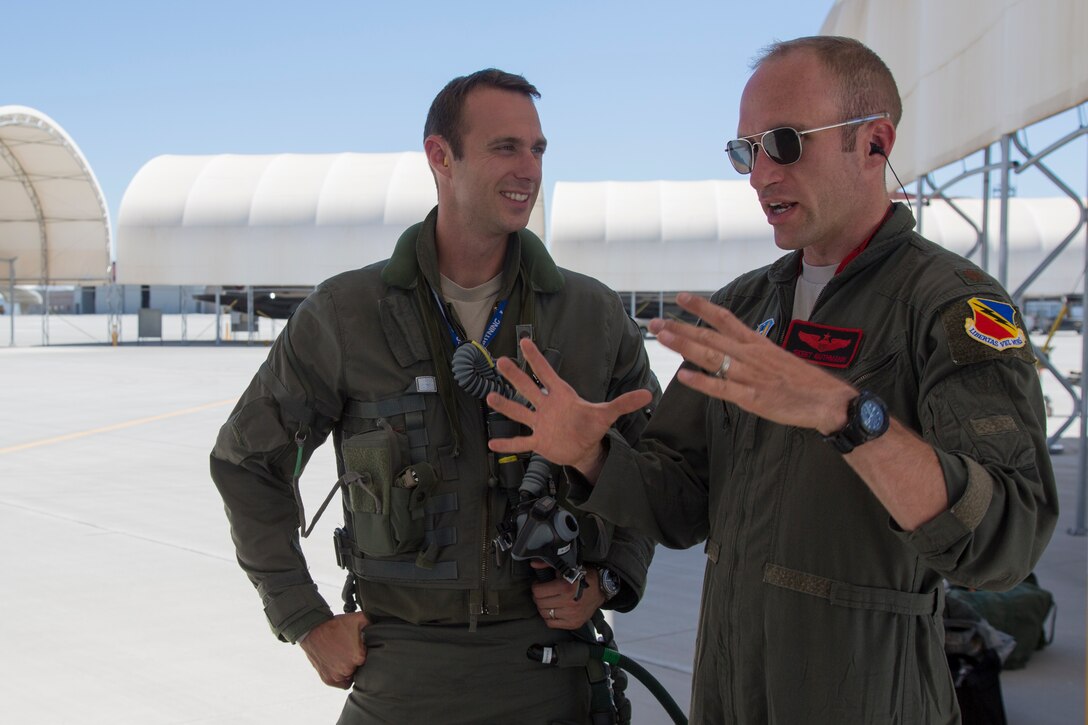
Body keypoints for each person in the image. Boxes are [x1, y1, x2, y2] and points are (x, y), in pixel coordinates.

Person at [487, 37, 1059, 724]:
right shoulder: (741, 308)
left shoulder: (952, 308)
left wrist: (847, 414)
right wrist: (593, 452)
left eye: (784, 143)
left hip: (870, 698)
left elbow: (1006, 539)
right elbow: (681, 506)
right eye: (745, 150)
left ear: (874, 143)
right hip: (732, 694)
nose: (759, 175)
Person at [210, 68, 659, 724]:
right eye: (506, 147)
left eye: (538, 150)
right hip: (400, 665)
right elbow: (246, 463)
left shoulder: (590, 316)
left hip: (549, 663)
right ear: (439, 157)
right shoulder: (347, 314)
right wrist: (304, 617)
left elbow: (659, 463)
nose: (529, 169)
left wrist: (611, 575)